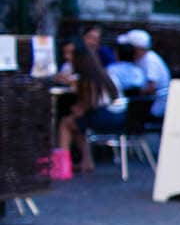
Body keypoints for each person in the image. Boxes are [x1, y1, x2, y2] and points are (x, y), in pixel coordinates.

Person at [56, 38, 125, 173]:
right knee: (77, 123)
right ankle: (87, 162)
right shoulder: (100, 72)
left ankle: (62, 167)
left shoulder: (87, 78)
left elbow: (86, 105)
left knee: (66, 123)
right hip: (121, 115)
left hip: (105, 116)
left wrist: (75, 109)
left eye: (70, 54)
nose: (66, 57)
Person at [118, 30, 170, 120]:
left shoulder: (150, 60)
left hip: (155, 105)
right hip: (148, 101)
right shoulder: (139, 59)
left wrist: (130, 96)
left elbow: (151, 87)